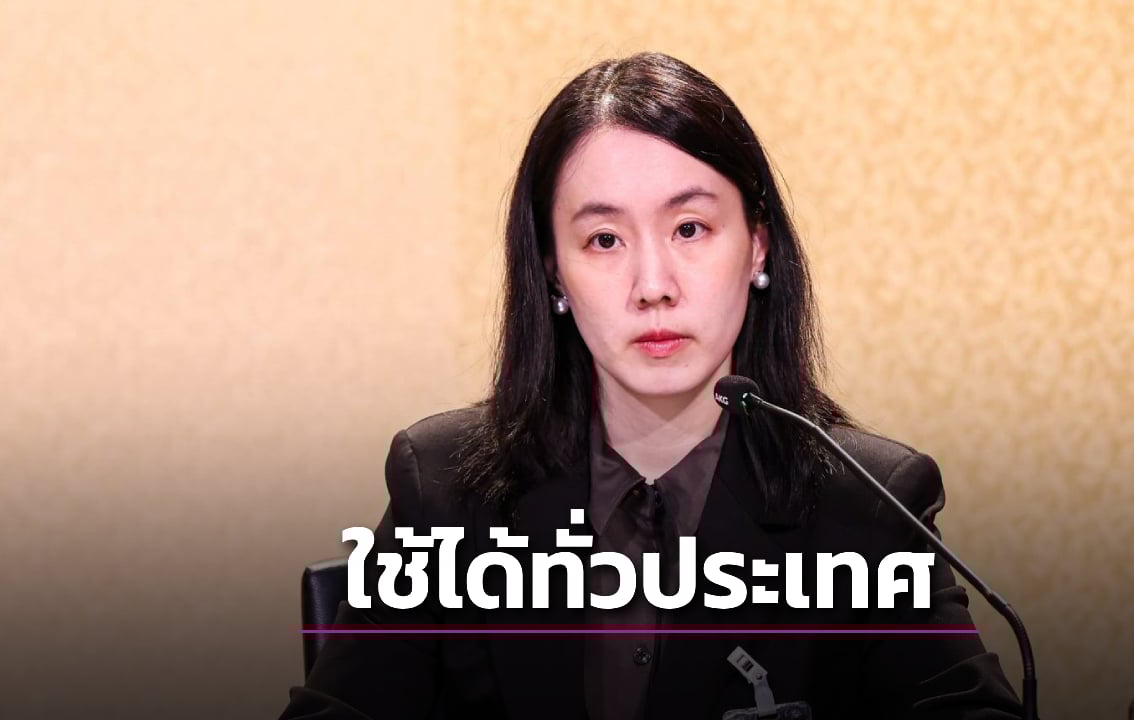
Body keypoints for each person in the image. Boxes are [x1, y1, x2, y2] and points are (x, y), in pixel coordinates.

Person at [281, 52, 1022, 719]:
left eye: (690, 229)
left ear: (757, 247)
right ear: (553, 272)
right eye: (604, 240)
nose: (653, 285)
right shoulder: (445, 489)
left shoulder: (867, 505)